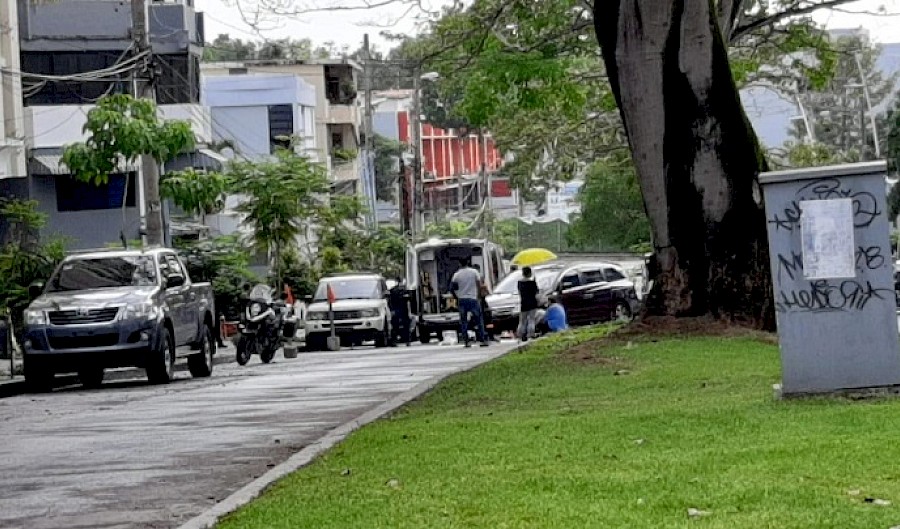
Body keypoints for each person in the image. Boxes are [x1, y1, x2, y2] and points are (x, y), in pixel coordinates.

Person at [450, 258, 489, 347]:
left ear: (459, 264)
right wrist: (478, 296)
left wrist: (457, 297)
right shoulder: (474, 272)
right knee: (478, 320)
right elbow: (479, 285)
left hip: (462, 299)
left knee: (463, 321)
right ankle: (482, 340)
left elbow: (452, 288)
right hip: (473, 299)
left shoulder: (456, 275)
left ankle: (466, 341)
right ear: (468, 263)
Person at [517, 266, 539, 341]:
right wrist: (534, 281)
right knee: (531, 319)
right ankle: (530, 334)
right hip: (532, 303)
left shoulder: (519, 283)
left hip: (523, 303)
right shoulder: (532, 283)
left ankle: (521, 334)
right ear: (529, 273)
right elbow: (536, 292)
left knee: (522, 321)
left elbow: (520, 292)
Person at [388, 276, 411, 346]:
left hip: (398, 310)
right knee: (404, 326)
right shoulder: (403, 290)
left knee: (396, 326)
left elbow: (389, 301)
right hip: (402, 310)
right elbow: (409, 299)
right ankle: (406, 341)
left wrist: (391, 310)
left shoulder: (392, 290)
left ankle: (395, 341)